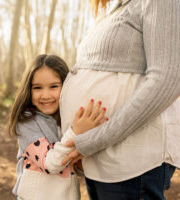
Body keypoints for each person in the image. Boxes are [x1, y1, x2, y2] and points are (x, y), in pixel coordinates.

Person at [60, 0, 180, 199]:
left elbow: (169, 78)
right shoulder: (116, 8)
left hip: (131, 161)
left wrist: (95, 139)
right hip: (102, 156)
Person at [9, 54, 107, 200]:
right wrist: (76, 132)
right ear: (29, 90)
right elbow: (51, 164)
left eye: (54, 86)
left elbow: (76, 168)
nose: (45, 95)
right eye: (37, 88)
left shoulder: (67, 119)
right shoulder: (26, 122)